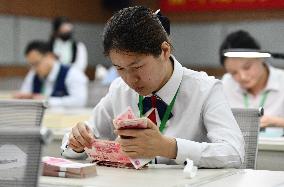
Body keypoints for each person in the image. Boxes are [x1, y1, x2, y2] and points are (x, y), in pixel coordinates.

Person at [61, 6, 244, 168]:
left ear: (164, 51)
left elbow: (234, 153)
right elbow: (74, 143)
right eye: (119, 68)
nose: (130, 79)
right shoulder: (119, 89)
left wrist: (168, 147)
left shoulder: (205, 89)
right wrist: (77, 142)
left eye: (137, 67)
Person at [220, 30, 284, 135]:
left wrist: (276, 122)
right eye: (233, 73)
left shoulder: (282, 81)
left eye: (247, 67)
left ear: (261, 57)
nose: (242, 77)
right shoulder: (226, 83)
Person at [14, 40, 88, 108]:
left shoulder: (73, 73)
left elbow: (79, 101)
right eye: (31, 65)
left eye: (36, 63)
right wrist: (24, 98)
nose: (34, 69)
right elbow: (25, 93)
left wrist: (48, 101)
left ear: (50, 56)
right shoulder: (33, 74)